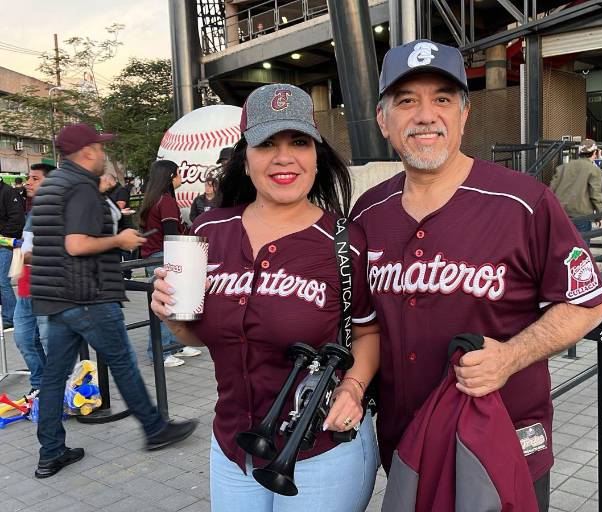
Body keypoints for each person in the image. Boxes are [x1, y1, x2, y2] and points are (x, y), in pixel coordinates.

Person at [350, 39, 602, 512]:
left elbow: (588, 301)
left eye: (443, 99)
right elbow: (364, 323)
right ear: (383, 119)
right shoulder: (369, 213)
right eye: (407, 100)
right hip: (406, 444)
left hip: (502, 443)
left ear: (464, 115)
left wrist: (511, 356)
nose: (426, 115)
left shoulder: (524, 201)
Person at [150, 84, 380, 512]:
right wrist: (169, 313)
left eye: (298, 141)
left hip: (320, 445)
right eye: (266, 143)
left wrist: (353, 388)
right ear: (245, 155)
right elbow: (195, 337)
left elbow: (367, 332)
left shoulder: (345, 240)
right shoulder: (208, 231)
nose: (284, 157)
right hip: (232, 446)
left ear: (316, 154)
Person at [31, 123, 197, 479]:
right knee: (122, 362)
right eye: (100, 148)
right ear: (88, 152)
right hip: (87, 294)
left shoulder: (50, 187)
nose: (104, 155)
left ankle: (50, 453)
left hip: (54, 297)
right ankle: (155, 429)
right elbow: (76, 244)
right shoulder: (80, 188)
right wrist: (120, 241)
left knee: (53, 376)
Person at [137, 160, 201, 367]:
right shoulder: (164, 200)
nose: (181, 178)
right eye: (179, 173)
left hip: (156, 255)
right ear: (171, 176)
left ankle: (175, 345)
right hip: (163, 255)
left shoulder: (153, 198)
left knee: (173, 303)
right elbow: (172, 233)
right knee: (166, 305)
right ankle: (160, 352)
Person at [13, 163, 54, 397]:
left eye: (34, 178)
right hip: (25, 286)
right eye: (29, 178)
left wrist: (24, 252)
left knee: (50, 341)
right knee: (24, 340)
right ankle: (40, 385)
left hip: (46, 287)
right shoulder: (33, 211)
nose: (28, 182)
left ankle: (59, 387)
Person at [549, 139, 602, 242]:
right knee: (581, 250)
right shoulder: (594, 170)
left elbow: (551, 190)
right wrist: (600, 216)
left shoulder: (562, 168)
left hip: (560, 213)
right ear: (594, 153)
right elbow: (595, 195)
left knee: (562, 247)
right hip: (581, 214)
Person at [0, 169, 25, 328]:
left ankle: (12, 317)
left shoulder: (8, 193)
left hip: (6, 244)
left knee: (2, 281)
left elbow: (17, 220)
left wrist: (3, 237)